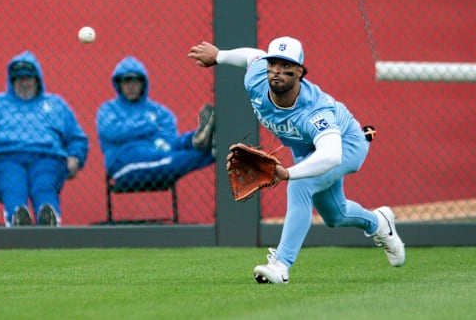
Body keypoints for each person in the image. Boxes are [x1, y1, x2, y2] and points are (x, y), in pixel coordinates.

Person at [188, 36, 405, 284]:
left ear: (299, 71)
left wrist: (289, 173)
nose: (277, 72)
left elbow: (332, 154)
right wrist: (219, 56)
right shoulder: (257, 80)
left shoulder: (314, 111)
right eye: (273, 65)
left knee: (301, 185)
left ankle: (281, 264)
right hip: (308, 150)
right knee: (335, 215)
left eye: (286, 67)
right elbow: (253, 55)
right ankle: (379, 222)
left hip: (347, 144)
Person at [0, 51, 89, 227]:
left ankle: (49, 217)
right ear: (11, 81)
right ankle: (17, 218)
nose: (24, 83)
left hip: (47, 157)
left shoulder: (56, 104)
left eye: (28, 78)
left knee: (43, 185)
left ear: (37, 79)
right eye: (18, 78)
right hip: (3, 158)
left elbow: (77, 138)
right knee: (13, 183)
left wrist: (75, 157)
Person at [96, 56, 215, 194]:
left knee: (177, 144)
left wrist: (153, 138)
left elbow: (169, 135)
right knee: (169, 160)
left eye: (136, 81)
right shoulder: (108, 109)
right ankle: (212, 152)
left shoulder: (159, 111)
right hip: (124, 162)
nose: (131, 86)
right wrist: (149, 125)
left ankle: (200, 138)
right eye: (126, 81)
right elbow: (114, 132)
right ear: (119, 84)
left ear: (143, 84)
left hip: (157, 149)